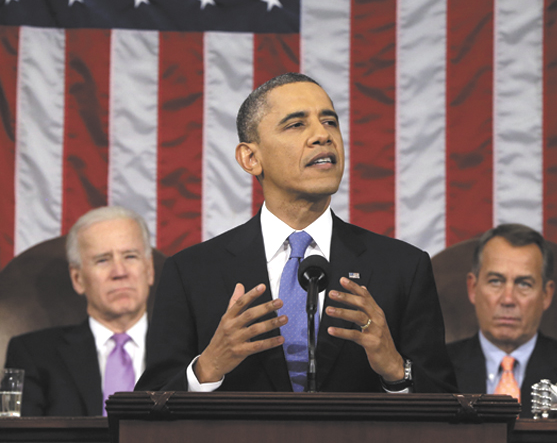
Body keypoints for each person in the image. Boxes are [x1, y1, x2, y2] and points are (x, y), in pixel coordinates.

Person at [136, 72, 456, 394]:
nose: (323, 135)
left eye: (330, 122)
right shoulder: (191, 272)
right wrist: (207, 367)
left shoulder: (403, 268)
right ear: (251, 158)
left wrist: (395, 369)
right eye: (296, 124)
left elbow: (448, 408)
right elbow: (148, 408)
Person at [4, 206, 155, 416]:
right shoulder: (33, 354)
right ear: (78, 278)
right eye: (103, 260)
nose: (120, 272)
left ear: (149, 269)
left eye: (130, 256)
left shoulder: (190, 350)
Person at [447, 224, 557, 417]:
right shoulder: (437, 370)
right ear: (473, 288)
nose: (508, 299)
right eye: (496, 281)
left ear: (546, 294)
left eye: (524, 284)